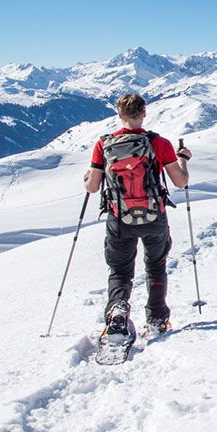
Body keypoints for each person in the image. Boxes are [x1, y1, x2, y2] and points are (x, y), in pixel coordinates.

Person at [84, 92, 191, 340]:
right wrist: (183, 159)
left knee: (120, 270)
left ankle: (118, 311)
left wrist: (87, 178)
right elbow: (180, 182)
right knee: (156, 266)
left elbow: (92, 187)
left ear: (119, 114)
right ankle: (157, 320)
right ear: (144, 113)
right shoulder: (159, 143)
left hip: (119, 218)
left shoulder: (104, 145)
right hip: (155, 217)